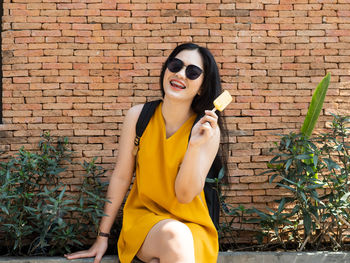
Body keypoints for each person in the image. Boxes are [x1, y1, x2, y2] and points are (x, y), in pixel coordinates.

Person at [64, 43, 227, 263]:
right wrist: (102, 236)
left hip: (193, 227)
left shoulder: (207, 131)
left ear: (201, 87)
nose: (180, 74)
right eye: (175, 65)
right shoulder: (138, 117)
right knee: (174, 236)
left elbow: (185, 195)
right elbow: (122, 177)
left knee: (176, 241)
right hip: (145, 220)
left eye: (192, 72)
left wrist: (194, 146)